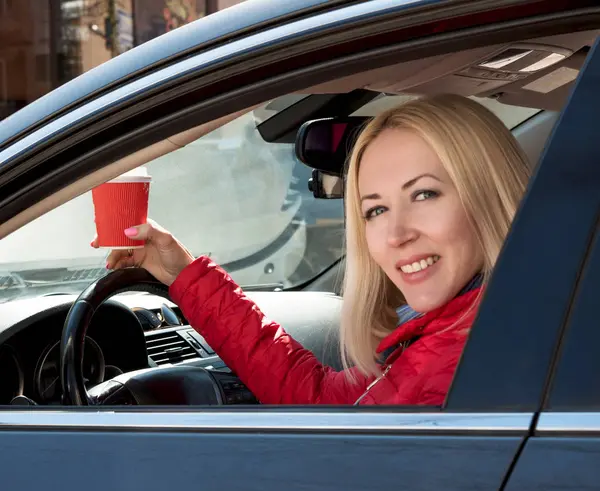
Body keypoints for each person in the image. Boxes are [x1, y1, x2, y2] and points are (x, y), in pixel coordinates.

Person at [93, 94, 530, 405]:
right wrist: (183, 272)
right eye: (375, 210)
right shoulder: (467, 333)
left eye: (424, 195)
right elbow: (318, 400)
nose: (396, 234)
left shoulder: (459, 366)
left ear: (487, 195)